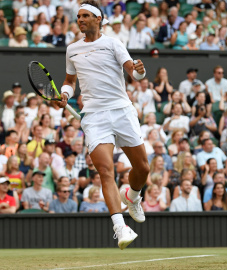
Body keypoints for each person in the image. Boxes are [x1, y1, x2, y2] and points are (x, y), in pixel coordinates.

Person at [59, 0, 151, 249]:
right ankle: (120, 227)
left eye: (86, 15)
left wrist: (140, 71)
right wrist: (65, 94)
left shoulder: (112, 43)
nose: (80, 20)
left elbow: (134, 72)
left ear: (98, 19)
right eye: (78, 16)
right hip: (95, 116)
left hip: (122, 111)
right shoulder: (72, 49)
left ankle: (132, 196)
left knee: (142, 169)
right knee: (105, 171)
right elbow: (70, 80)